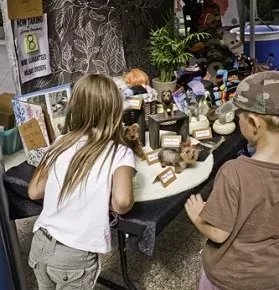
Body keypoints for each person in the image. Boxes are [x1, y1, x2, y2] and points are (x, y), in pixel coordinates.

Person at [28, 74, 136, 289]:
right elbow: (123, 202)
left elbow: (34, 191)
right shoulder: (119, 152)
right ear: (114, 111)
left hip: (40, 245)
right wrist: (107, 200)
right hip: (74, 256)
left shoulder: (60, 142)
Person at [185, 71, 279, 290]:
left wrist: (198, 216)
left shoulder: (234, 172)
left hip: (230, 278)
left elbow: (219, 233)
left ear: (254, 123)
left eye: (239, 117)